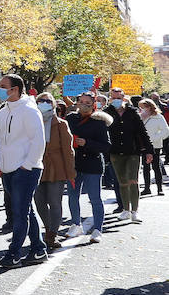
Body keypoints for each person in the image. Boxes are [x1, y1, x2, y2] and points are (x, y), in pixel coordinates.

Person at [0, 74, 47, 267]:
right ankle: (38, 249)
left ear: (15, 89)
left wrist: (28, 164)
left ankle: (14, 253)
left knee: (19, 212)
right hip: (8, 170)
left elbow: (38, 141)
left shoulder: (30, 110)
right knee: (25, 211)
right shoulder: (2, 112)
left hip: (26, 170)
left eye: (2, 86)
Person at [66, 92, 112, 241]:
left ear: (93, 105)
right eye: (81, 101)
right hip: (74, 164)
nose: (83, 104)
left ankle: (98, 229)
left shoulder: (99, 121)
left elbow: (106, 146)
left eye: (87, 102)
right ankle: (76, 224)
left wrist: (87, 143)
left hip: (92, 164)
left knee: (95, 198)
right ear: (77, 103)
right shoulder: (71, 118)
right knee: (73, 196)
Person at [34, 92, 75, 253]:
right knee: (39, 201)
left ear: (53, 105)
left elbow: (68, 150)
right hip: (36, 166)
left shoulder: (61, 124)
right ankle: (48, 228)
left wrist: (70, 172)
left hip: (56, 167)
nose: (44, 103)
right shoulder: (31, 121)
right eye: (40, 101)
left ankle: (52, 234)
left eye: (47, 101)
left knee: (55, 202)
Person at [105, 87, 153, 222]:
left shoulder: (132, 113)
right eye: (114, 98)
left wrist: (149, 151)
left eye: (119, 98)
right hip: (115, 152)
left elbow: (142, 132)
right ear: (110, 98)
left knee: (133, 180)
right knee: (122, 182)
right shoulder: (107, 112)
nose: (116, 100)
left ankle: (135, 211)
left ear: (124, 98)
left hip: (132, 152)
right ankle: (126, 209)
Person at [139, 98, 168, 197]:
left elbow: (165, 130)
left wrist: (155, 138)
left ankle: (159, 188)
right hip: (143, 146)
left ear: (149, 107)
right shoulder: (140, 117)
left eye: (143, 107)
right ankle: (147, 188)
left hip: (155, 145)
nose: (142, 109)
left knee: (156, 167)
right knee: (146, 167)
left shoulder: (158, 117)